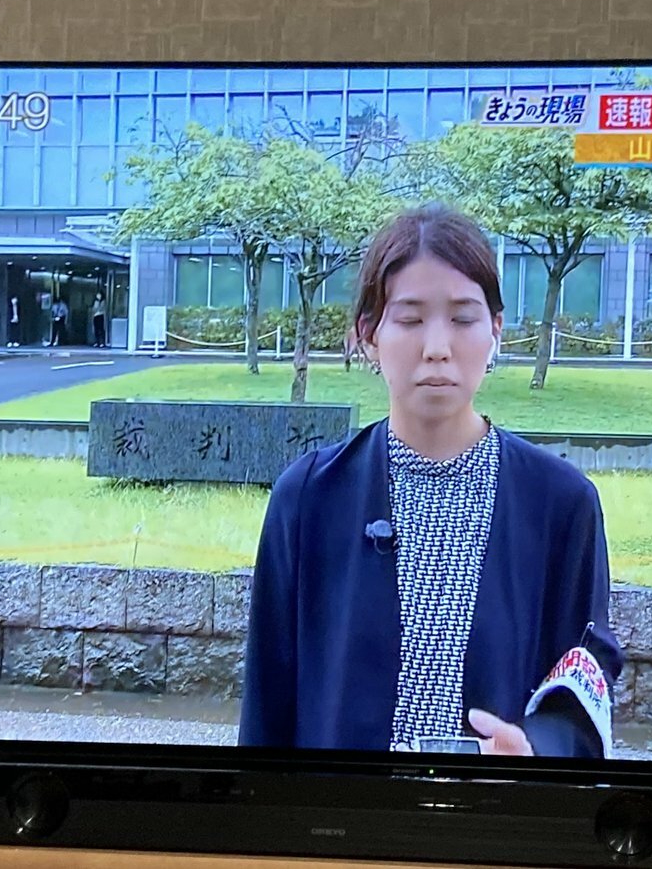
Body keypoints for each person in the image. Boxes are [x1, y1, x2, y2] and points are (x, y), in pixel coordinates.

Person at [240, 204, 623, 759]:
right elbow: (267, 704)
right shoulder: (308, 497)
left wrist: (535, 748)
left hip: (497, 810)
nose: (437, 347)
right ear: (368, 334)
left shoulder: (562, 503)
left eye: (464, 319)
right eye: (410, 319)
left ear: (496, 330)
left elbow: (584, 678)